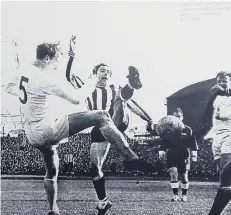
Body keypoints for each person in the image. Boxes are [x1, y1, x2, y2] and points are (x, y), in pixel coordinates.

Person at [5, 37, 153, 215]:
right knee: (101, 118)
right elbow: (76, 98)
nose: (56, 65)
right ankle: (130, 159)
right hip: (51, 130)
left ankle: (53, 210)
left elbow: (8, 88)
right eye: (55, 61)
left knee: (51, 169)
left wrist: (30, 94)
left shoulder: (22, 71)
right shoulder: (45, 79)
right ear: (46, 59)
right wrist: (89, 80)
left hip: (31, 133)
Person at [66, 37, 153, 215]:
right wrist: (71, 55)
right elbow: (69, 77)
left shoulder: (114, 89)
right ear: (96, 73)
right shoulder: (88, 88)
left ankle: (132, 83)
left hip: (116, 121)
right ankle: (103, 202)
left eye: (107, 71)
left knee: (121, 97)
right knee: (94, 168)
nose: (105, 72)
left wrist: (148, 119)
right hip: (99, 130)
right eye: (101, 70)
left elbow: (132, 104)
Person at [204, 71, 231, 215]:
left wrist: (226, 91)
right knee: (223, 174)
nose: (221, 83)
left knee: (227, 174)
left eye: (225, 80)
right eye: (219, 81)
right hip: (217, 137)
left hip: (230, 134)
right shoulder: (216, 98)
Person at [158, 108, 198, 202]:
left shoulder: (187, 129)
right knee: (173, 173)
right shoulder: (169, 129)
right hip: (172, 153)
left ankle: (184, 195)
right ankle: (175, 195)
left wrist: (194, 155)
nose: (177, 118)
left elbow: (193, 142)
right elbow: (164, 141)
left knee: (184, 176)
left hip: (184, 153)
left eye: (179, 116)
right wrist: (161, 150)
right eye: (175, 117)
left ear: (182, 117)